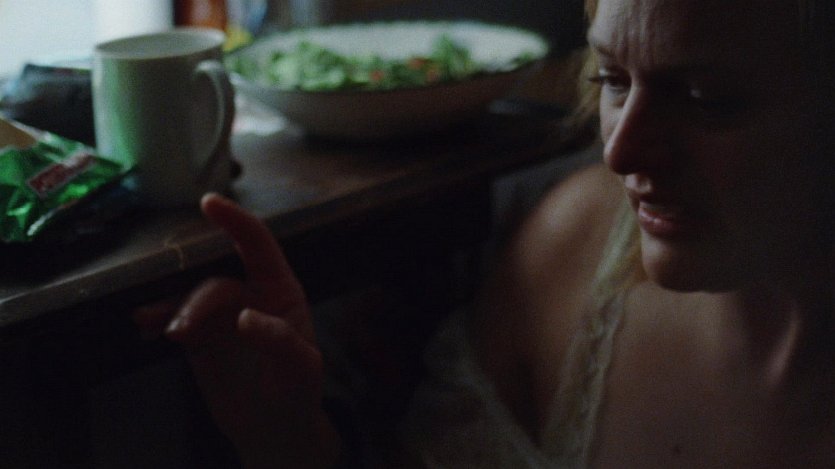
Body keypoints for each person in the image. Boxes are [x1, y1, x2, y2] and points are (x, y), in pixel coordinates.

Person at [136, 0, 835, 466]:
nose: (621, 152)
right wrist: (290, 442)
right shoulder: (572, 248)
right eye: (612, 79)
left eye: (707, 99)